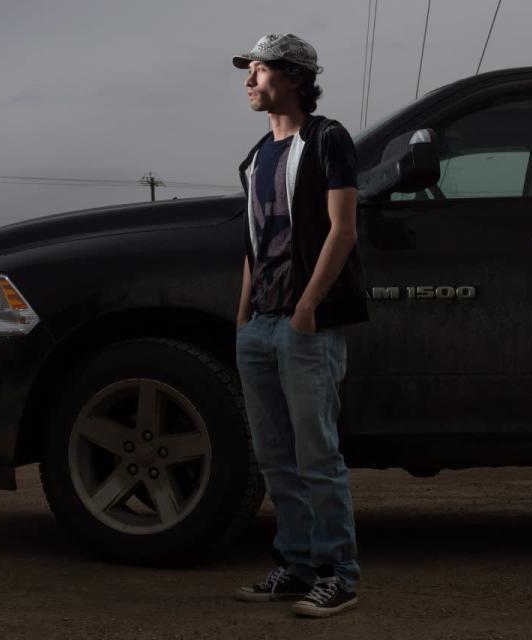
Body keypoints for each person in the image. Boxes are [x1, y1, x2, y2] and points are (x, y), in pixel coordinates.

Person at [231, 33, 368, 618]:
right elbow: (254, 245)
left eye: (257, 71)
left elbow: (343, 230)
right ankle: (296, 564)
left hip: (305, 325)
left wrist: (308, 307)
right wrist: (243, 314)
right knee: (275, 457)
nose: (248, 82)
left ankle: (340, 573)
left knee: (318, 456)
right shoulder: (255, 157)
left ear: (291, 75)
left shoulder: (328, 139)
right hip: (259, 326)